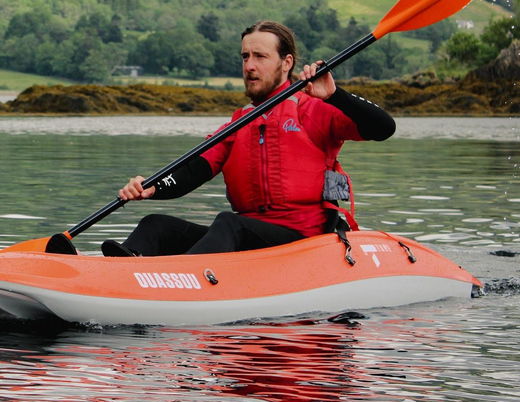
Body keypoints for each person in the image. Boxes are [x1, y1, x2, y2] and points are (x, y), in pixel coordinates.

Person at [99, 21, 396, 258]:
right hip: (250, 239)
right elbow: (192, 171)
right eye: (245, 57)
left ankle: (182, 283)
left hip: (305, 243)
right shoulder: (238, 123)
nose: (249, 66)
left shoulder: (315, 109)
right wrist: (152, 186)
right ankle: (119, 275)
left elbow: (383, 128)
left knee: (229, 223)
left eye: (260, 57)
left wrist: (335, 96)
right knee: (157, 225)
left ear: (286, 62)